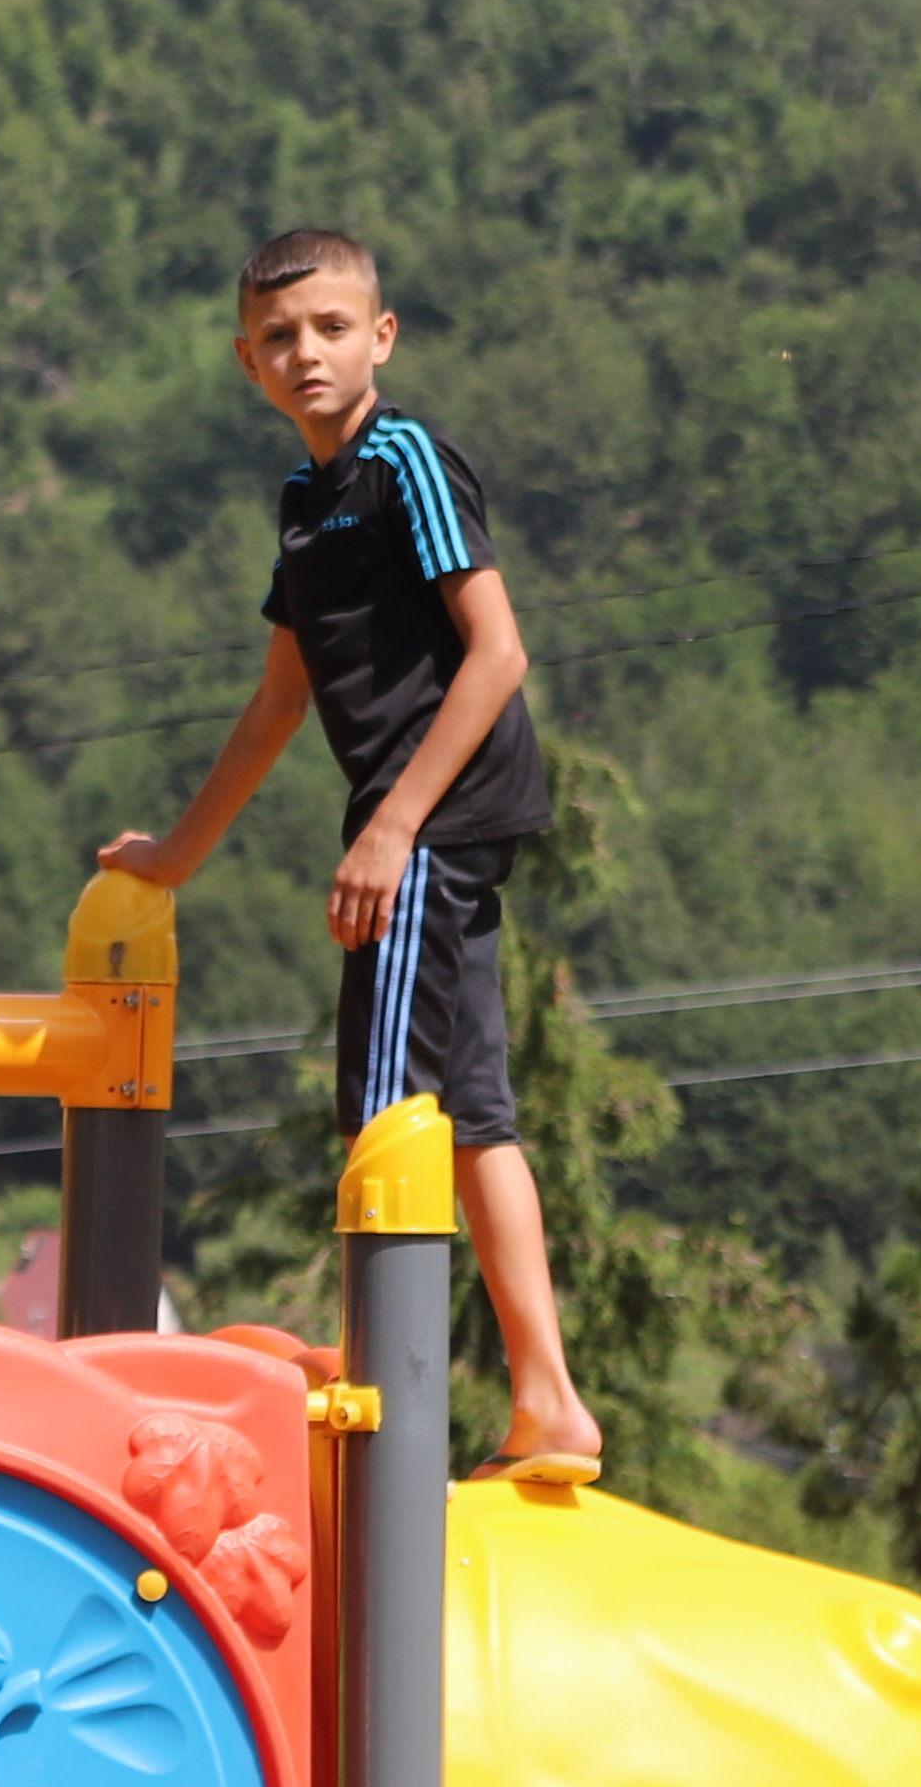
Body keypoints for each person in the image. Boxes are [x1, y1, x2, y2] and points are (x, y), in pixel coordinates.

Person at [101, 226, 605, 1478]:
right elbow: (281, 700)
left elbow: (497, 652)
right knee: (472, 1113)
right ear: (246, 363)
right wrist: (174, 856)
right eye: (279, 337)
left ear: (380, 336)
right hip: (415, 822)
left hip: (433, 818)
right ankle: (549, 1400)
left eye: (330, 328)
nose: (304, 352)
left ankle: (382, 1387)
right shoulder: (306, 503)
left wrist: (392, 826)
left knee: (386, 1105)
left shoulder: (405, 460)